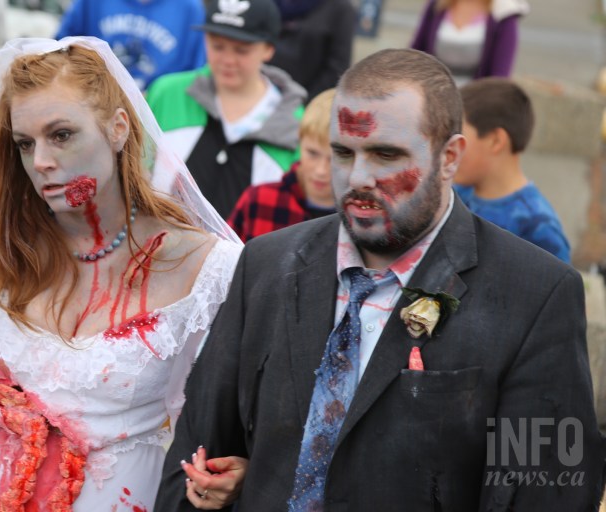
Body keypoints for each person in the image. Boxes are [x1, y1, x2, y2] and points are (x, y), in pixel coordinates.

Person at [155, 48, 605, 510]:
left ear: (449, 157)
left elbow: (547, 492)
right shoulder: (266, 265)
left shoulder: (535, 295)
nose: (358, 178)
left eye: (385, 154)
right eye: (343, 153)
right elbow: (195, 456)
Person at [0, 37, 243, 511]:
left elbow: (224, 428)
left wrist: (233, 474)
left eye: (62, 135)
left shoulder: (200, 266)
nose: (42, 161)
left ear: (118, 128)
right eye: (25, 144)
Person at [147, 0, 305, 219]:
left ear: (269, 49)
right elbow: (135, 169)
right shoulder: (166, 93)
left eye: (242, 50)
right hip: (160, 237)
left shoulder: (296, 125)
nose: (228, 60)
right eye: (217, 46)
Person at [454, 77, 571, 262]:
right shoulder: (454, 196)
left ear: (496, 141)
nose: (450, 147)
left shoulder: (537, 228)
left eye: (460, 135)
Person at [228, 88, 336, 242]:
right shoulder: (258, 200)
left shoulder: (359, 219)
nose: (321, 170)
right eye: (312, 153)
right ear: (299, 142)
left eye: (334, 159)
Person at [54, 0, 207, 91]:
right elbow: (61, 51)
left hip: (158, 113)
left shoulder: (190, 9)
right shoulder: (91, 3)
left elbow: (197, 74)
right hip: (96, 104)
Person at [411, 0, 529, 86]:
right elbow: (415, 56)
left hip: (474, 106)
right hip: (433, 100)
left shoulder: (504, 14)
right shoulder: (437, 6)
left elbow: (499, 79)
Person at [269, 0, 355, 102]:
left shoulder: (340, 8)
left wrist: (305, 104)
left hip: (304, 101)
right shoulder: (270, 4)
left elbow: (337, 67)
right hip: (262, 96)